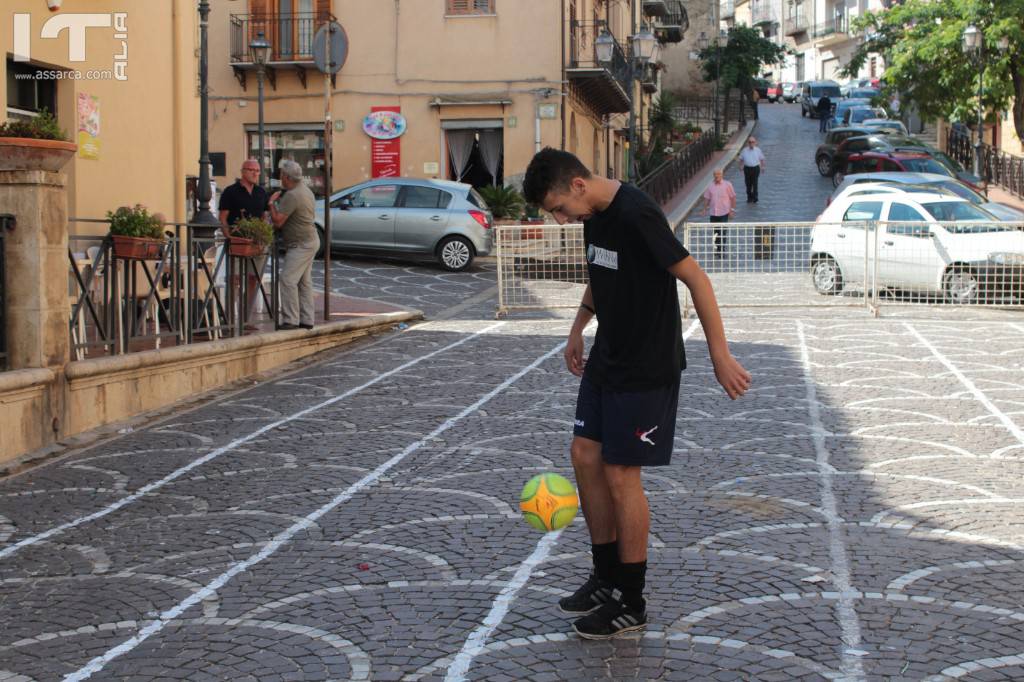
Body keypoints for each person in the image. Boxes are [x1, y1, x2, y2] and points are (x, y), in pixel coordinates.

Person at [522, 148, 751, 640]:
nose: (561, 218)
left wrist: (720, 355)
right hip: (609, 357)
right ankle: (604, 578)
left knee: (621, 473)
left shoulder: (636, 213)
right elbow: (600, 279)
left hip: (646, 365)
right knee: (584, 454)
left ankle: (631, 598)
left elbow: (695, 278)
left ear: (578, 185)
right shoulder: (595, 218)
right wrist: (577, 328)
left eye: (560, 207)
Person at [218, 159, 270, 325]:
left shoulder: (261, 192)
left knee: (253, 279)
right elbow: (223, 218)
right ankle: (228, 318)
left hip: (256, 244)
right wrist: (229, 237)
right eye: (252, 170)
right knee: (234, 279)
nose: (256, 173)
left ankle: (246, 318)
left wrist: (262, 235)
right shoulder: (230, 192)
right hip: (237, 242)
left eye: (258, 170)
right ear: (243, 171)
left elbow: (264, 216)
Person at [268, 160, 319, 330]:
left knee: (288, 280)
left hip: (301, 243)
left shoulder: (292, 195)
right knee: (304, 282)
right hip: (310, 240)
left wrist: (271, 204)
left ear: (287, 177)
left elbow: (278, 222)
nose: (280, 177)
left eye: (281, 174)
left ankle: (291, 320)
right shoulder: (306, 190)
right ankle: (307, 319)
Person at [702, 168, 736, 255]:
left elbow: (733, 197)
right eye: (715, 174)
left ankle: (722, 250)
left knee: (723, 232)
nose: (717, 176)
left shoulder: (727, 185)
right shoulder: (710, 186)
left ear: (722, 175)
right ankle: (717, 249)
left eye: (719, 174)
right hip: (713, 213)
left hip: (724, 212)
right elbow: (706, 198)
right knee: (716, 232)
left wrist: (732, 210)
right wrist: (704, 209)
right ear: (713, 175)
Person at [739, 136, 766, 204]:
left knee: (755, 183)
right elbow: (741, 159)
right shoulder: (744, 150)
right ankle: (749, 197)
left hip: (755, 168)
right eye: (750, 142)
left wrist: (763, 167)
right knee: (748, 184)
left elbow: (762, 159)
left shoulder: (758, 150)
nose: (751, 143)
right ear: (748, 143)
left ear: (755, 143)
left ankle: (755, 197)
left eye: (753, 142)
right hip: (747, 169)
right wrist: (741, 166)